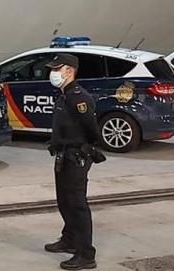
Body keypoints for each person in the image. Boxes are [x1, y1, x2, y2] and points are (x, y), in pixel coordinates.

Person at [44, 53, 101, 270]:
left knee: (77, 205)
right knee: (64, 201)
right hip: (63, 155)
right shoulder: (64, 95)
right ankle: (69, 239)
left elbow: (91, 128)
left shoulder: (78, 97)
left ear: (69, 71)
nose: (53, 73)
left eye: (57, 69)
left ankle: (86, 254)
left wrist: (87, 147)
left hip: (76, 156)